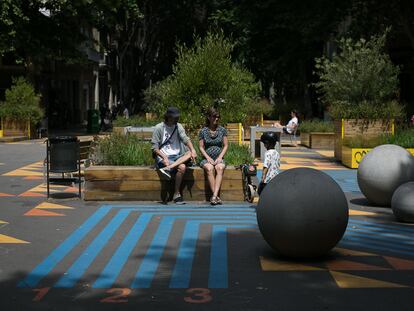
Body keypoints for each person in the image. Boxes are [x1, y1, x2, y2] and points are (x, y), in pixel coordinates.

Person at [151, 107, 197, 204]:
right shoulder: (159, 128)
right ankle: (177, 194)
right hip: (164, 157)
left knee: (189, 153)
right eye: (175, 117)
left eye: (177, 117)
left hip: (177, 156)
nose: (177, 119)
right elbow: (155, 148)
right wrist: (164, 157)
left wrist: (193, 150)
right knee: (182, 167)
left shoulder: (178, 126)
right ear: (168, 117)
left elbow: (185, 138)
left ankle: (169, 168)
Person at [199, 108, 228, 205]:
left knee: (220, 168)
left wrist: (220, 157)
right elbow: (201, 147)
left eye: (218, 117)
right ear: (209, 117)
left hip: (219, 157)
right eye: (214, 116)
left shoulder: (222, 130)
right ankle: (216, 196)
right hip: (207, 158)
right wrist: (207, 158)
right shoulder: (203, 131)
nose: (217, 118)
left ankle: (214, 196)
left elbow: (226, 145)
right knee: (209, 168)